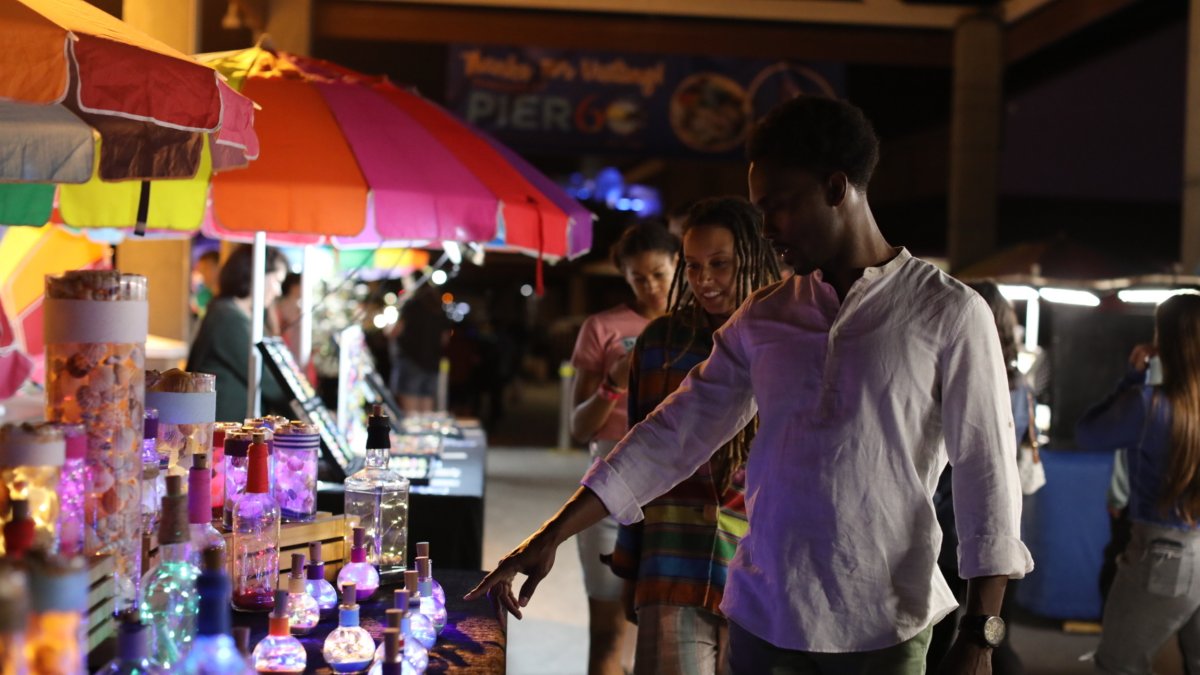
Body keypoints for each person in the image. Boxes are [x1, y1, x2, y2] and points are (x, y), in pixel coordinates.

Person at [467, 96, 1032, 675]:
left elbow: (988, 475)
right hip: (763, 621)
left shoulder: (947, 313)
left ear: (837, 188)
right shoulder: (766, 316)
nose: (765, 230)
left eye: (779, 207)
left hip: (884, 629)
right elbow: (673, 431)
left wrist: (979, 633)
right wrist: (554, 532)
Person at [610, 196, 781, 675]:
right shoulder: (660, 343)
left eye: (720, 264)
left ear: (752, 258)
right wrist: (630, 568)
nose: (704, 279)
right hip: (671, 565)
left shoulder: (786, 339)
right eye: (692, 265)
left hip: (761, 573)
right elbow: (634, 461)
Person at [569, 220, 679, 675]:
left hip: (677, 494)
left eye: (659, 273)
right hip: (612, 486)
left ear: (678, 265)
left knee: (663, 642)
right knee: (609, 635)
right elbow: (579, 426)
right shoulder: (603, 328)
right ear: (625, 277)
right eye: (638, 277)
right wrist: (614, 382)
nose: (651, 286)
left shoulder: (702, 326)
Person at [1076, 292, 1200, 674]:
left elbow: (1087, 433)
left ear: (1165, 341)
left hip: (1161, 556)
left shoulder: (1148, 405)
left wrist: (1133, 377)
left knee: (1116, 664)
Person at [927, 280, 1028, 674]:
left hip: (955, 523)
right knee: (991, 634)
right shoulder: (1020, 385)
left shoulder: (960, 374)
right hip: (1005, 524)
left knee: (943, 633)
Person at [187, 244, 292, 422]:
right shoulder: (227, 316)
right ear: (258, 275)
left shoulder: (238, 312)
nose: (278, 291)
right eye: (277, 281)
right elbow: (267, 379)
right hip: (218, 432)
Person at [391, 283, 450, 414]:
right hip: (432, 362)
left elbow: (395, 331)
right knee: (427, 410)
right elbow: (444, 339)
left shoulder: (411, 306)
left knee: (410, 412)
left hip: (410, 360)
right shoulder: (439, 310)